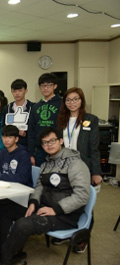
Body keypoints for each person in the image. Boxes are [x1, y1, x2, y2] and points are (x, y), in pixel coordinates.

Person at [0, 127, 91, 265]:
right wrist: (33, 202)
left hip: (65, 215)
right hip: (44, 208)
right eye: (45, 142)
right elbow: (39, 187)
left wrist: (55, 210)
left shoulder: (76, 163)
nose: (49, 144)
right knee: (3, 207)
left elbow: (83, 195)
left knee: (22, 225)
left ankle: (2, 259)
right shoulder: (47, 164)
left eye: (52, 141)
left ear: (61, 141)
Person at [57, 87, 102, 253]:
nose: (72, 103)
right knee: (65, 200)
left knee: (84, 203)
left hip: (83, 168)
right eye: (68, 100)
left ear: (81, 101)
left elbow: (94, 148)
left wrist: (96, 172)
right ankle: (67, 233)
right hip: (63, 168)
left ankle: (82, 239)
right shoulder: (61, 119)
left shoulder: (91, 119)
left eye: (75, 99)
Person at [28, 73, 62, 167]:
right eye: (43, 85)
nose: (45, 88)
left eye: (49, 85)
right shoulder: (36, 106)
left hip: (57, 149)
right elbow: (31, 130)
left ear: (55, 86)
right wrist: (31, 154)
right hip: (40, 150)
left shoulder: (62, 104)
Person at [2, 79, 34, 148]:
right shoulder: (7, 108)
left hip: (27, 146)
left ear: (26, 91)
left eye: (20, 90)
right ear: (11, 92)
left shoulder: (33, 107)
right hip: (10, 147)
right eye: (14, 91)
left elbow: (35, 128)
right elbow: (4, 128)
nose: (17, 93)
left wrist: (26, 134)